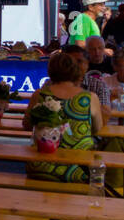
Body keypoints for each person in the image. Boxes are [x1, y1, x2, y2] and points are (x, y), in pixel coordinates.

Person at [23, 51, 101, 184]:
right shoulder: (89, 97)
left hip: (41, 167)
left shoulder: (39, 95)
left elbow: (27, 125)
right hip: (79, 170)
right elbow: (97, 128)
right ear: (75, 71)